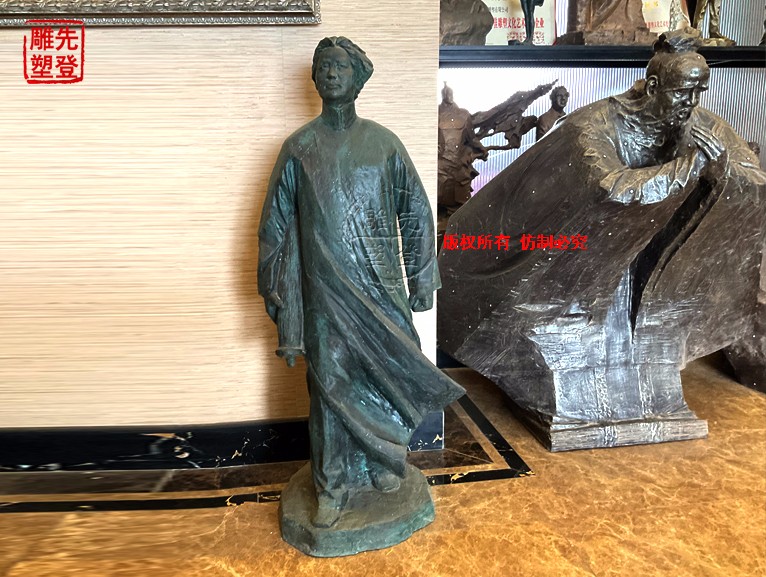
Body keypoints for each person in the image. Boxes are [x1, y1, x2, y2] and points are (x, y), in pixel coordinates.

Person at [439, 30, 766, 447]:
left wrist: (721, 170)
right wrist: (689, 166)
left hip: (649, 268)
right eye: (683, 93)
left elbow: (751, 179)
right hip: (569, 258)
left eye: (698, 93)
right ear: (653, 87)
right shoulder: (591, 126)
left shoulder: (700, 125)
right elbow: (611, 189)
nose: (691, 104)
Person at [259, 37, 464, 528]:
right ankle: (330, 486)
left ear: (358, 78)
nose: (331, 73)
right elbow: (275, 226)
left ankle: (383, 464)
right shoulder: (299, 148)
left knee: (382, 378)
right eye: (323, 66)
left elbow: (416, 212)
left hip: (380, 291)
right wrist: (280, 292)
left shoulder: (383, 144)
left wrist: (421, 277)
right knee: (329, 387)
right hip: (324, 294)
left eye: (340, 66)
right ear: (315, 77)